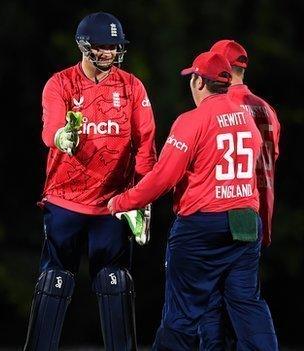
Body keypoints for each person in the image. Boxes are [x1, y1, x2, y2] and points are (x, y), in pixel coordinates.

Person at [107, 51, 279, 350]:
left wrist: (122, 202)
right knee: (246, 303)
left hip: (202, 226)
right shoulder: (248, 121)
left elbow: (162, 178)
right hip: (245, 222)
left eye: (193, 78)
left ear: (199, 81)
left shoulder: (192, 120)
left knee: (183, 312)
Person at [23, 12, 157, 350]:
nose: (109, 53)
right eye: (102, 46)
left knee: (115, 282)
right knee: (54, 280)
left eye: (114, 46)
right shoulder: (61, 83)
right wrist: (62, 137)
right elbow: (49, 130)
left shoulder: (131, 86)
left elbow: (145, 143)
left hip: (113, 204)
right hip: (66, 199)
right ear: (84, 46)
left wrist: (142, 197)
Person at [198, 39, 281, 351]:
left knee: (212, 304)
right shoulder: (267, 110)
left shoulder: (216, 107)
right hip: (257, 220)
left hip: (221, 214)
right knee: (246, 302)